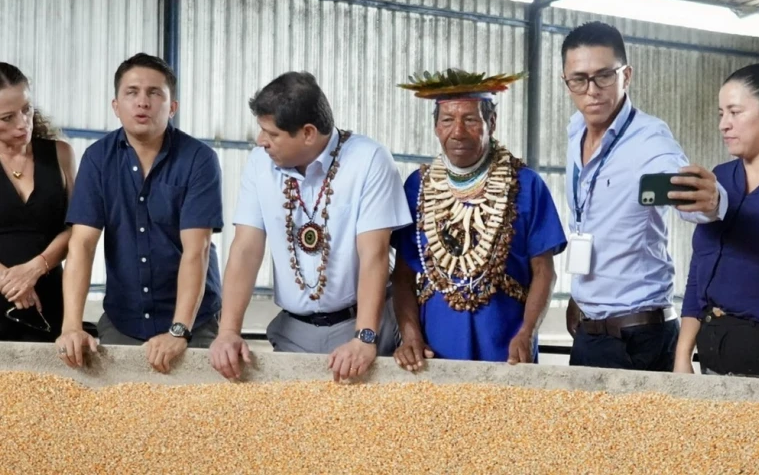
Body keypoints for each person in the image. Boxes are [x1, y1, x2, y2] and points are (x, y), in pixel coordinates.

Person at [209, 71, 411, 382]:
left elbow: (375, 254)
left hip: (361, 328)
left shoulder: (369, 159)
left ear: (307, 133)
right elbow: (246, 248)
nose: (261, 141)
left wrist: (365, 338)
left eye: (272, 134)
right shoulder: (260, 162)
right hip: (293, 333)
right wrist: (228, 332)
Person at [561, 21, 728, 371]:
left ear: (627, 75)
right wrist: (580, 296)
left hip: (638, 339)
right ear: (567, 81)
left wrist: (712, 201)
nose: (591, 90)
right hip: (589, 328)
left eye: (604, 75)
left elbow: (689, 199)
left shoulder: (650, 140)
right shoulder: (575, 130)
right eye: (578, 79)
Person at [55, 53, 224, 373]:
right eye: (131, 92)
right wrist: (71, 326)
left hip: (193, 324)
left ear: (172, 106)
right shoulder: (97, 159)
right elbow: (82, 245)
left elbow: (196, 250)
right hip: (123, 319)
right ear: (116, 105)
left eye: (154, 93)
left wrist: (179, 331)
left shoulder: (198, 159)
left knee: (196, 418)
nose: (142, 102)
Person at [391, 69, 567, 370]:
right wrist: (410, 336)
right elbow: (403, 277)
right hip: (434, 356)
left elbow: (544, 273)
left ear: (491, 123)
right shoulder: (417, 187)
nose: (457, 131)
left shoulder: (526, 185)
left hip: (508, 356)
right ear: (436, 126)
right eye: (447, 120)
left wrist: (527, 333)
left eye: (470, 119)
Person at [675, 63, 759, 381]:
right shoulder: (719, 178)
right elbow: (699, 270)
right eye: (721, 114)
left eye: (735, 112)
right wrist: (682, 355)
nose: (724, 125)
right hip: (713, 358)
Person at [0, 63, 75, 342]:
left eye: (26, 109)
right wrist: (9, 281)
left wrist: (35, 269)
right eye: (7, 117)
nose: (22, 123)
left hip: (51, 296)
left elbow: (77, 227)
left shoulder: (61, 154)